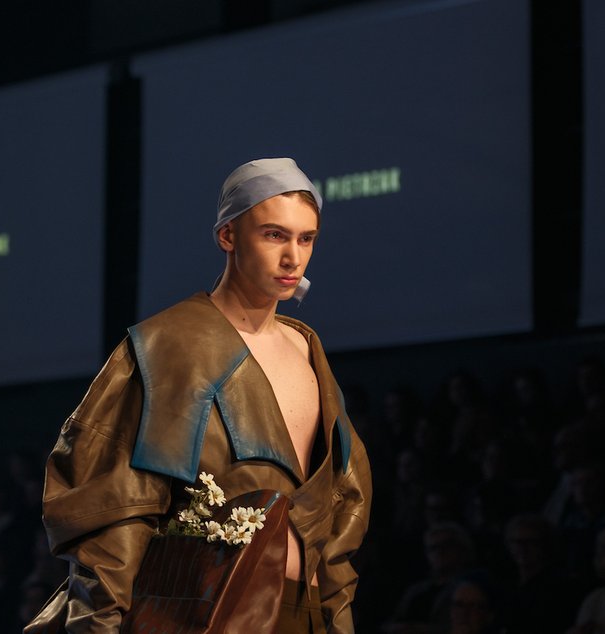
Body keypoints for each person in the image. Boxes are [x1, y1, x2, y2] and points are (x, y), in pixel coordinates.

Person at [26, 158, 372, 633]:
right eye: (274, 235)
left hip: (306, 615)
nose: (293, 257)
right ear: (228, 235)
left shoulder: (307, 348)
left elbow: (338, 505)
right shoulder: (170, 345)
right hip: (205, 614)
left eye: (306, 238)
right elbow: (114, 509)